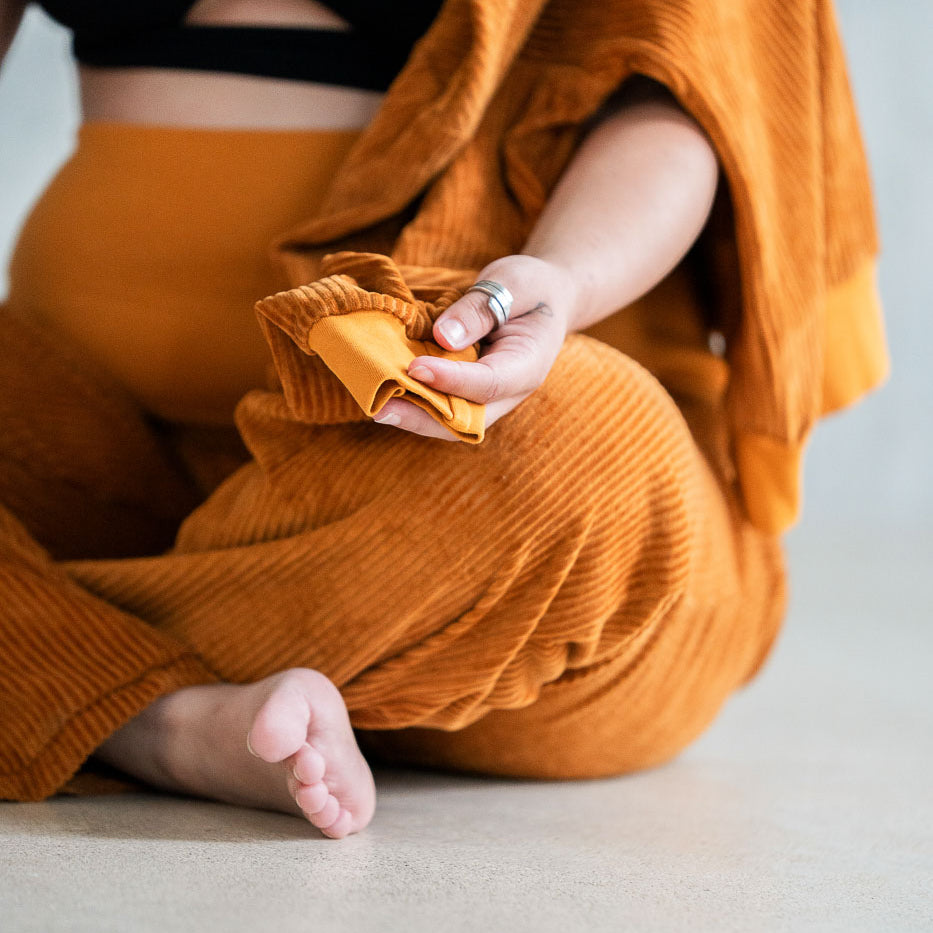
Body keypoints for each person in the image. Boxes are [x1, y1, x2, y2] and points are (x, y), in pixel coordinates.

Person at [0, 0, 885, 839]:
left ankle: (62, 667)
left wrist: (558, 281)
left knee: (584, 447)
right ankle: (168, 723)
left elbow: (685, 93)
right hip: (105, 462)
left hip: (488, 531)